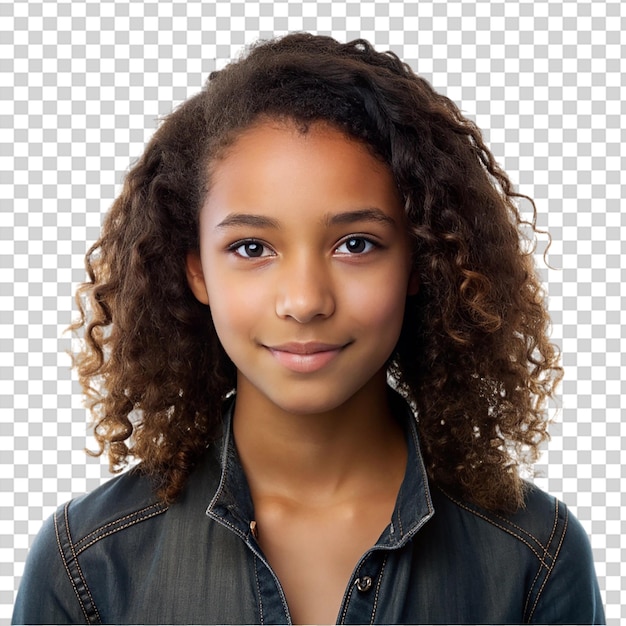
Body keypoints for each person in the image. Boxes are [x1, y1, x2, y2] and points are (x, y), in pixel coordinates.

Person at [12, 33, 604, 625]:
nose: (304, 301)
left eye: (355, 244)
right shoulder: (91, 564)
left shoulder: (533, 558)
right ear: (196, 270)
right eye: (251, 247)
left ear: (419, 262)